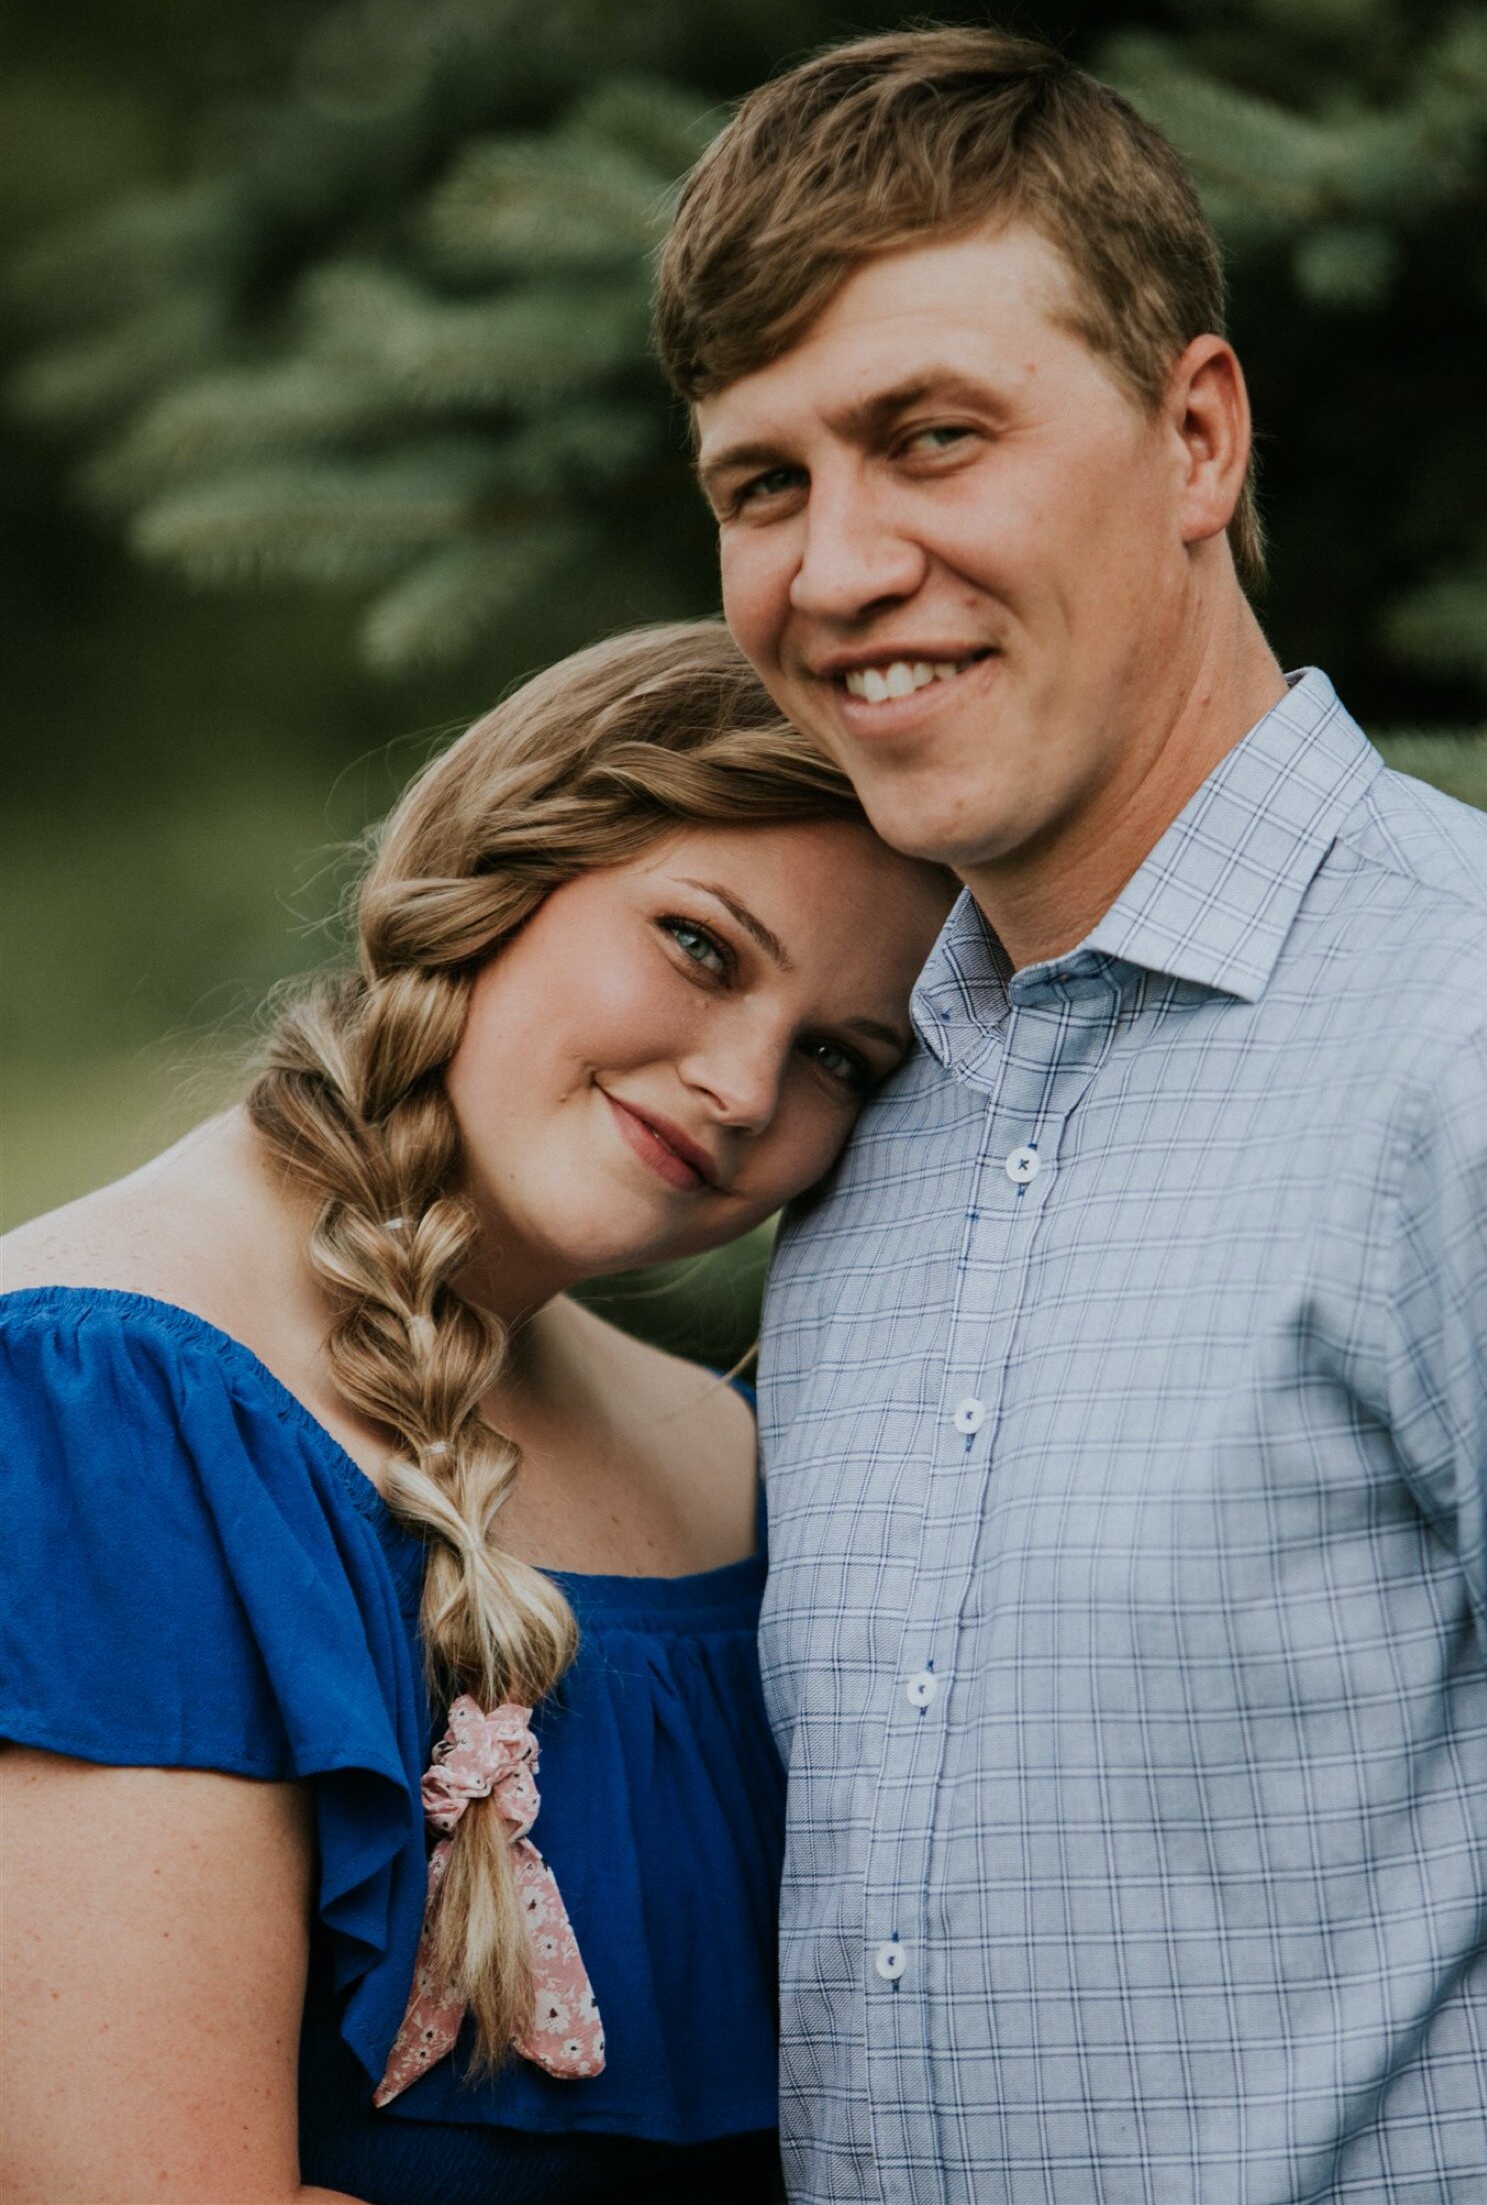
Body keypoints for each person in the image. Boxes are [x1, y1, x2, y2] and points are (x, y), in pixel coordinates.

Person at [655, 26, 1487, 2204]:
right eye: (764, 485)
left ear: (1195, 436)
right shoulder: (865, 1115)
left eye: (932, 439)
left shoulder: (1467, 1040)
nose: (837, 567)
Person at [0, 619, 954, 2205]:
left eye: (840, 1060)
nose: (739, 1087)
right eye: (704, 948)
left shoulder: (729, 1455)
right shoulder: (99, 1402)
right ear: (507, 864)